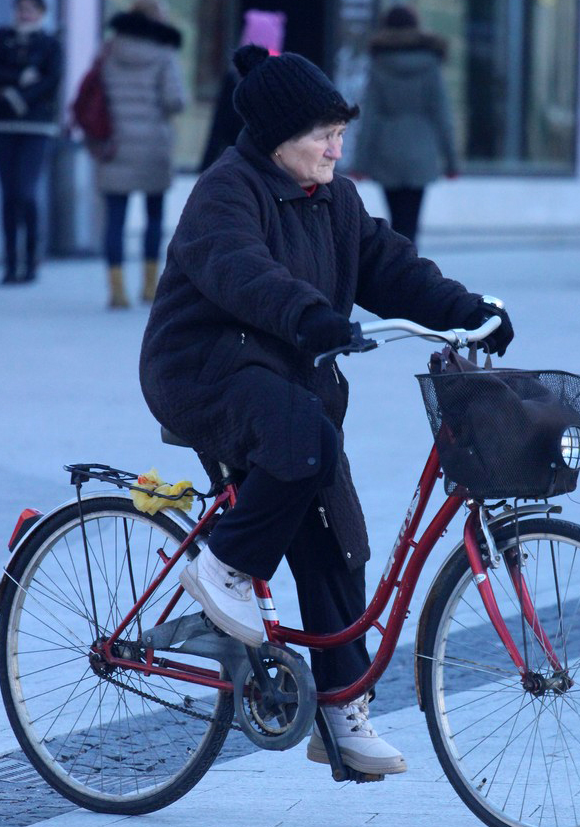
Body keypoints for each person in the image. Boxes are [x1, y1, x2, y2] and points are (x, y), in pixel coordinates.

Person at [139, 44, 513, 777]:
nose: (338, 148)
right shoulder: (227, 190)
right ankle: (224, 567)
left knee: (337, 534)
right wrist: (309, 315)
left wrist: (468, 311)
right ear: (280, 137)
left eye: (342, 133)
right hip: (203, 368)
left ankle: (341, 709)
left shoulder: (335, 200)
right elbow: (241, 270)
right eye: (325, 135)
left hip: (284, 379)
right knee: (304, 438)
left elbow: (391, 267)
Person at [96, 0, 186, 308]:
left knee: (115, 219)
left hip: (115, 144)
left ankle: (116, 289)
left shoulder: (109, 50)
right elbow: (175, 100)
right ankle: (149, 287)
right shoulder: (163, 53)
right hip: (152, 146)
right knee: (154, 216)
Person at [351, 5, 457, 248]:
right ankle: (410, 262)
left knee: (396, 221)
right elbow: (442, 116)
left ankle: (399, 262)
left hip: (387, 151)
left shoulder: (379, 63)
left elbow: (370, 118)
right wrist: (452, 162)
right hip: (422, 151)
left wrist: (359, 164)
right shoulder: (431, 63)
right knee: (412, 222)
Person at [0, 0, 62, 284]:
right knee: (7, 195)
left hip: (36, 127)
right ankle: (10, 263)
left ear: (41, 12)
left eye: (30, 9)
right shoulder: (2, 37)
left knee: (25, 193)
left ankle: (30, 260)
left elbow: (51, 79)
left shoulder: (50, 43)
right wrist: (21, 79)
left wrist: (18, 96)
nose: (24, 14)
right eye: (20, 8)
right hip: (2, 126)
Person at [199, 8, 286, 172]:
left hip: (235, 158)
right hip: (268, 163)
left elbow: (219, 125)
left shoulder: (235, 75)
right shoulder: (281, 76)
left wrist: (206, 164)